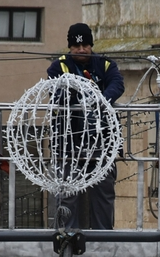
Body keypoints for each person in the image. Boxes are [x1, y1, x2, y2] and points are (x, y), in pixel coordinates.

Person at [47, 23, 125, 230]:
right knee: (67, 193)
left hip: (102, 145)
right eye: (76, 46)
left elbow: (117, 85)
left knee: (104, 191)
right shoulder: (58, 67)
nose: (81, 50)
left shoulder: (105, 64)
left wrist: (99, 100)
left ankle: (103, 234)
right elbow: (56, 94)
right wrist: (75, 94)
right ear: (70, 47)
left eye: (85, 45)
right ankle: (67, 235)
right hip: (68, 145)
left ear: (91, 44)